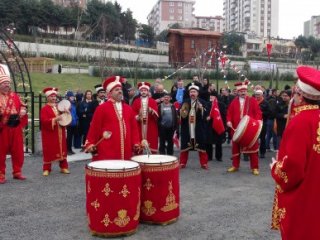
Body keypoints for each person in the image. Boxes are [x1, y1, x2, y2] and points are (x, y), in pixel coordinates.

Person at [270, 66, 320, 239]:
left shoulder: (300, 122)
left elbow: (293, 168)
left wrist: (276, 167)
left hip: (303, 198)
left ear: (300, 96)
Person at [84, 76, 141, 160]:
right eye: (116, 90)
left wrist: (136, 142)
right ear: (109, 94)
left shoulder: (128, 108)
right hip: (108, 150)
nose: (120, 91)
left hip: (126, 151)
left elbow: (134, 128)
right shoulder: (101, 108)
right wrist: (90, 143)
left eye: (120, 89)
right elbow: (95, 128)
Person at [226, 80, 262, 175]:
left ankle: (254, 167)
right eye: (241, 91)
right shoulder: (234, 102)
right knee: (235, 148)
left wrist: (258, 121)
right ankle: (235, 165)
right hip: (236, 129)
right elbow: (229, 113)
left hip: (250, 129)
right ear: (238, 92)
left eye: (244, 91)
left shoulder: (252, 100)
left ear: (247, 91)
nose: (243, 92)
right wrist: (229, 121)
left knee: (252, 148)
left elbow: (258, 113)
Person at [0, 72, 28, 183]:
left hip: (15, 126)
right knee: (1, 152)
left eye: (8, 82)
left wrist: (23, 110)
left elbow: (22, 106)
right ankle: (1, 174)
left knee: (18, 151)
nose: (7, 84)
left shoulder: (15, 96)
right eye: (4, 82)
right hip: (3, 127)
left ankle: (17, 172)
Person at [40, 87, 70, 176]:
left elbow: (65, 119)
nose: (53, 98)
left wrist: (67, 113)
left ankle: (64, 167)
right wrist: (55, 119)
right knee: (49, 150)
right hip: (50, 133)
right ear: (47, 97)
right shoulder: (44, 109)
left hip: (60, 131)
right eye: (51, 96)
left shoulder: (59, 107)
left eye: (54, 96)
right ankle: (46, 169)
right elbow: (44, 121)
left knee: (62, 149)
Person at [179, 83, 209, 169]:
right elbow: (180, 113)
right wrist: (181, 112)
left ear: (197, 93)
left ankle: (204, 163)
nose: (193, 93)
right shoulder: (185, 102)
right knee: (185, 145)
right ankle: (182, 163)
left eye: (194, 92)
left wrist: (201, 108)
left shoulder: (202, 102)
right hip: (187, 127)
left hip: (198, 128)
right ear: (189, 93)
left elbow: (207, 114)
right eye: (191, 92)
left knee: (201, 145)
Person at [131, 82, 159, 153]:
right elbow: (132, 113)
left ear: (147, 91)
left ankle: (151, 162)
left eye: (145, 90)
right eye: (142, 91)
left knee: (151, 142)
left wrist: (151, 110)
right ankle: (138, 159)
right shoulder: (136, 101)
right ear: (140, 92)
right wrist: (137, 117)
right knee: (138, 143)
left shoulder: (152, 101)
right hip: (139, 126)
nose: (143, 92)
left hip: (150, 125)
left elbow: (157, 115)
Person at [254, 89, 270, 159]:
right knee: (255, 138)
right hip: (254, 122)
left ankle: (262, 152)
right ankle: (254, 151)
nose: (257, 96)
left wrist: (261, 113)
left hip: (263, 122)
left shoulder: (266, 102)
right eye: (256, 94)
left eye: (258, 94)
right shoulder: (253, 102)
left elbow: (269, 112)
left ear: (262, 95)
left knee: (262, 138)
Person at [65, 91, 79, 155]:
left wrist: (76, 119)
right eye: (71, 96)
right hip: (69, 123)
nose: (72, 97)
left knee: (72, 137)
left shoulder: (74, 104)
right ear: (68, 97)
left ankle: (70, 149)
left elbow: (75, 113)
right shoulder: (66, 104)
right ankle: (68, 150)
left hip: (74, 122)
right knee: (69, 137)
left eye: (73, 96)